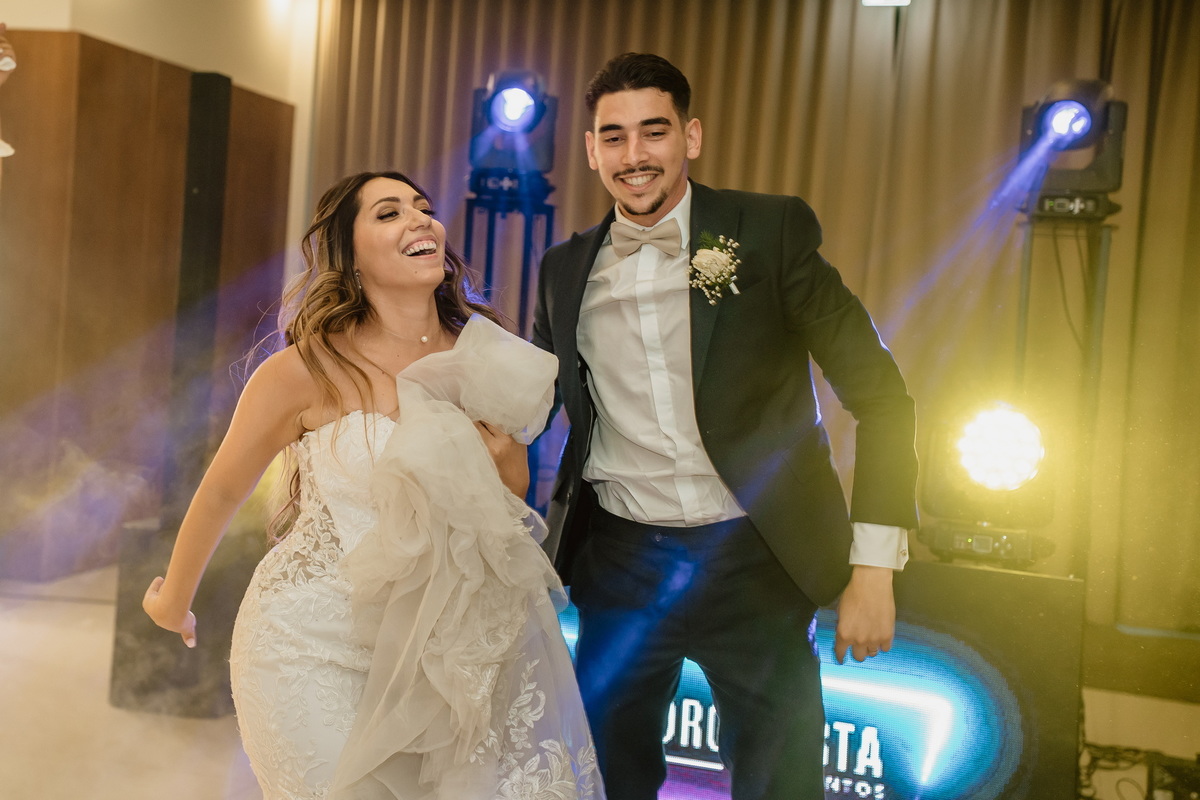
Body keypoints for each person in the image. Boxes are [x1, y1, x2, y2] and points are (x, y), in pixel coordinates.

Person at [531, 53, 918, 800]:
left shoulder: (768, 232)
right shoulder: (562, 269)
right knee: (601, 778)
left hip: (754, 558)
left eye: (654, 131)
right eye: (613, 136)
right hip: (620, 562)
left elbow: (882, 398)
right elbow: (530, 405)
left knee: (782, 782)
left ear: (692, 137)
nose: (634, 155)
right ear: (590, 150)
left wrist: (874, 569)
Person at [144, 170, 602, 800]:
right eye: (388, 213)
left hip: (437, 656)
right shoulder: (304, 370)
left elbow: (510, 506)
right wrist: (174, 600)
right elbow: (222, 491)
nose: (419, 219)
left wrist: (499, 460)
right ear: (351, 259)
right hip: (308, 642)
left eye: (422, 207)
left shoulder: (487, 358)